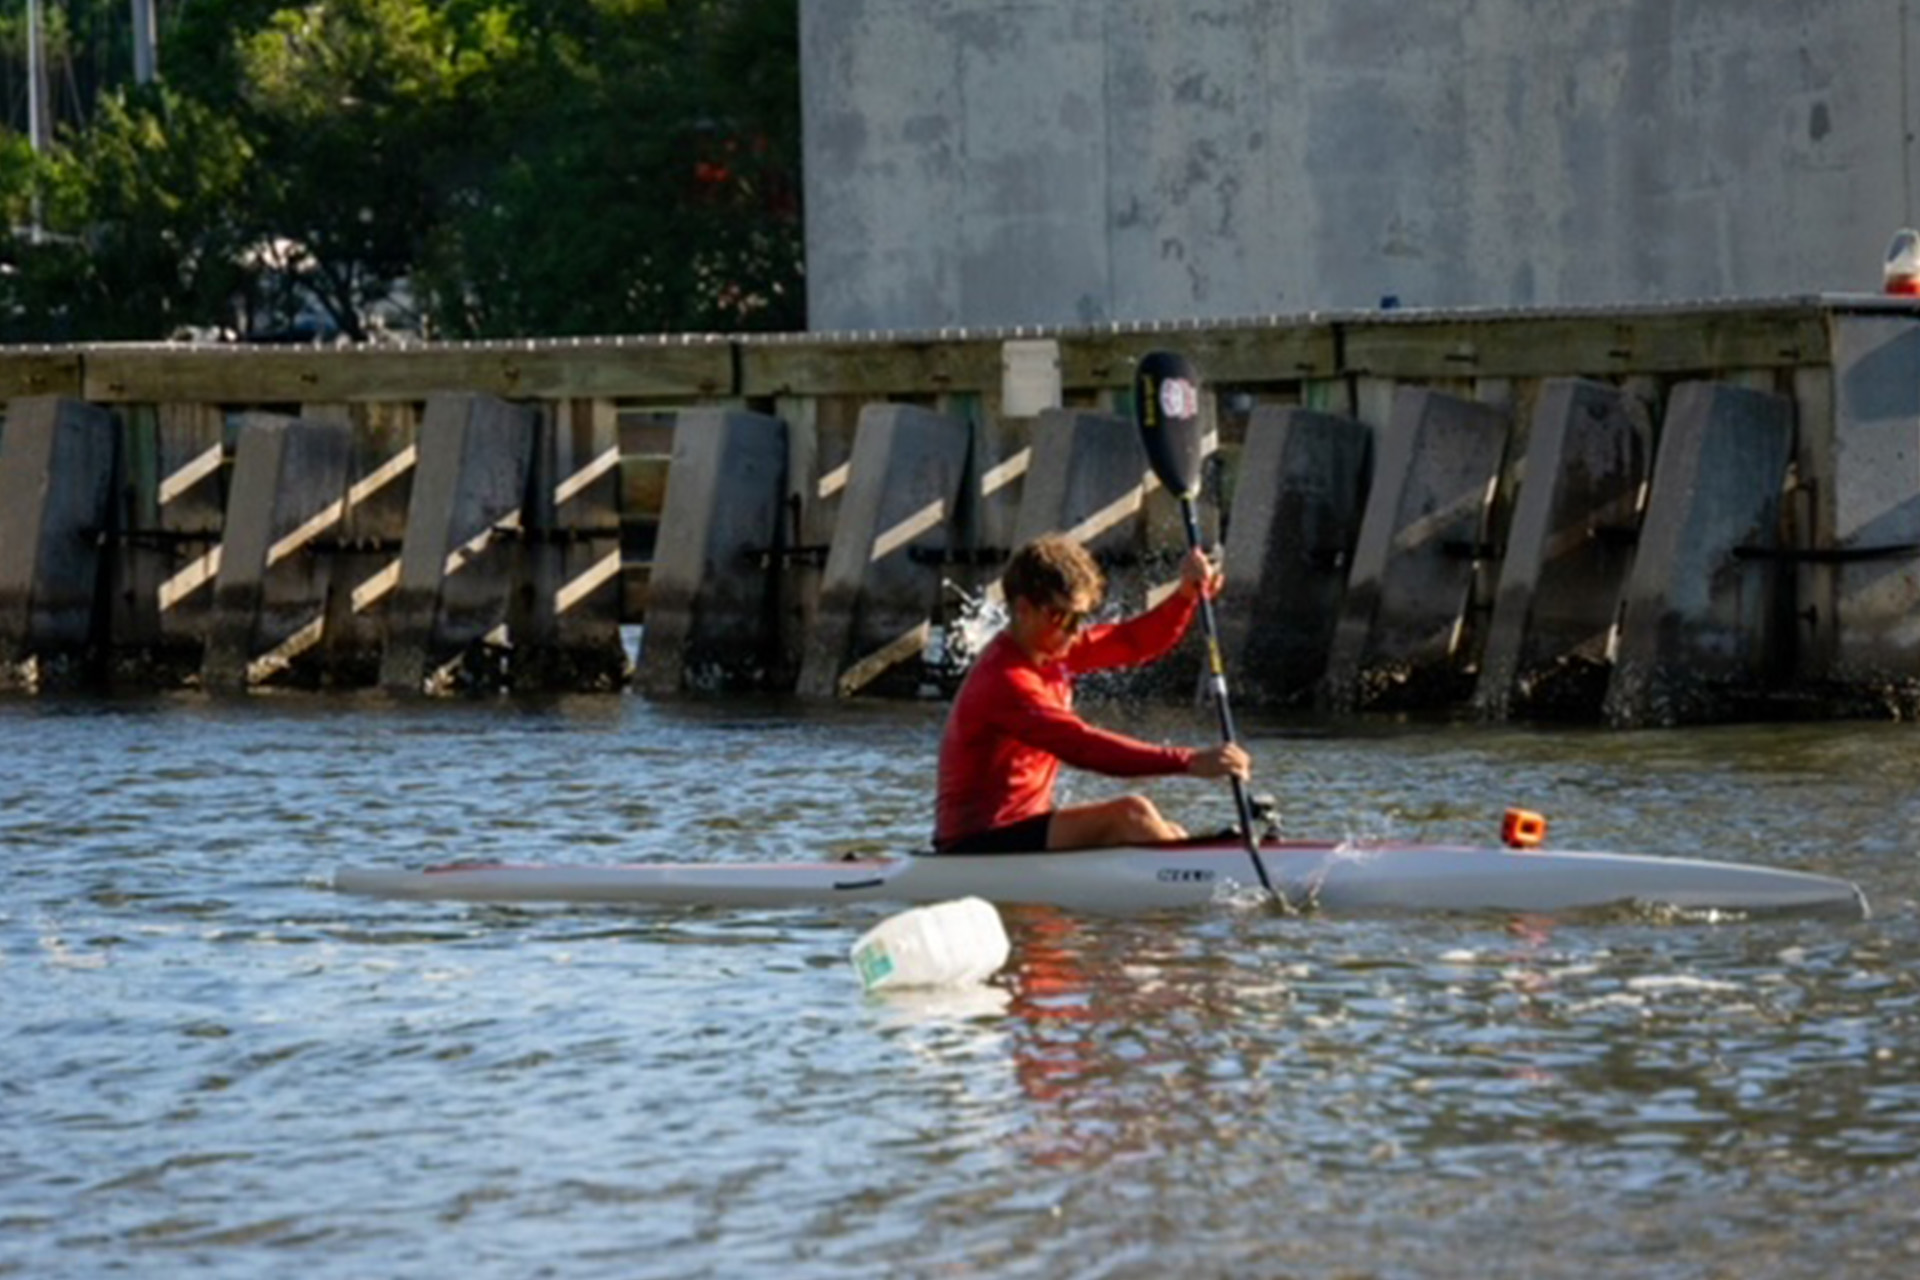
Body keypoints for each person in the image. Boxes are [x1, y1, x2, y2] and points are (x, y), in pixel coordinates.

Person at [932, 533, 1251, 852]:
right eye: (1064, 617)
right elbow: (1082, 746)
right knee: (1130, 814)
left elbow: (1134, 642)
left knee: (1169, 830)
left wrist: (1185, 596)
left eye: (1081, 618)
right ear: (1023, 608)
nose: (1074, 631)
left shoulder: (1053, 648)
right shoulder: (1005, 681)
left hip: (1025, 827)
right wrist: (1189, 761)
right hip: (975, 841)